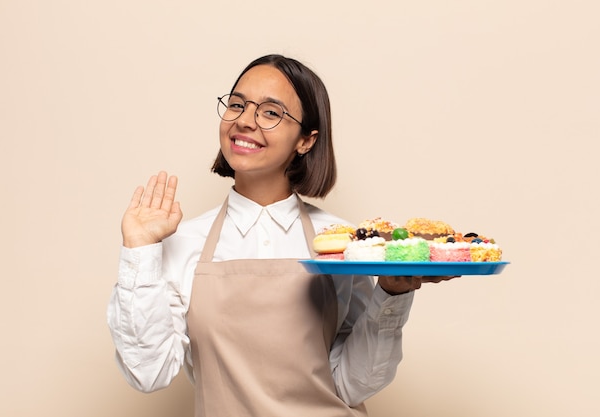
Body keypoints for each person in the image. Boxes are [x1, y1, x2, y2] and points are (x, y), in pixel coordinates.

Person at [107, 54, 453, 417]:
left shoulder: (339, 242)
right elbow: (148, 373)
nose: (244, 121)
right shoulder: (185, 242)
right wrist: (139, 248)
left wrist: (392, 294)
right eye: (237, 105)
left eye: (270, 112)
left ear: (306, 140)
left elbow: (352, 384)